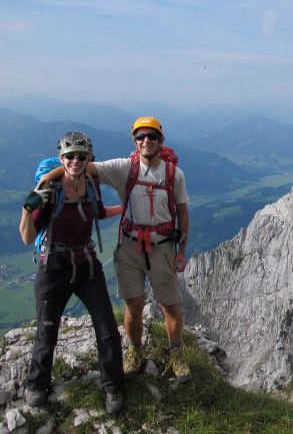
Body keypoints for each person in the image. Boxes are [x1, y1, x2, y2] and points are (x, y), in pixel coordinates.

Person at [42, 117, 191, 383]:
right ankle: (135, 352)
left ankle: (176, 355)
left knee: (170, 305)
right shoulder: (125, 167)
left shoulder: (174, 174)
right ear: (134, 141)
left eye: (151, 137)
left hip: (163, 246)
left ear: (161, 141)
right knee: (133, 306)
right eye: (140, 137)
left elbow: (182, 212)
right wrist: (44, 182)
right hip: (130, 247)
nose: (146, 141)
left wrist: (181, 251)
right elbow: (78, 165)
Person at [19, 131, 125, 414]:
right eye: (70, 156)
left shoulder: (91, 183)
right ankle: (37, 386)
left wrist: (124, 210)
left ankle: (114, 388)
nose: (76, 161)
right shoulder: (49, 191)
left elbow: (98, 212)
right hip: (53, 268)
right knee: (47, 331)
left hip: (87, 264)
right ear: (61, 158)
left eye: (81, 156)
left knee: (107, 329)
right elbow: (27, 237)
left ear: (89, 158)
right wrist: (28, 207)